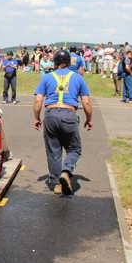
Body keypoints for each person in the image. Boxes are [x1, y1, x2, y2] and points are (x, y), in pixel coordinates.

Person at [33, 49, 92, 195]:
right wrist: (89, 119)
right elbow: (87, 102)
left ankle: (56, 184)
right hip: (69, 114)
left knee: (54, 151)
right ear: (68, 62)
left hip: (51, 114)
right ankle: (66, 171)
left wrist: (36, 118)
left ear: (55, 63)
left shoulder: (47, 77)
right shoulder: (78, 77)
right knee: (74, 149)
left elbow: (38, 99)